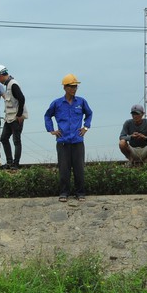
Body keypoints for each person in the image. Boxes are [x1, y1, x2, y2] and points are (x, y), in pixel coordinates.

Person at [44, 74, 93, 202]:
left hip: (77, 140)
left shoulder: (81, 102)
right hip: (63, 141)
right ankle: (64, 193)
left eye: (75, 86)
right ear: (65, 87)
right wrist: (51, 130)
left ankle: (80, 193)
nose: (74, 89)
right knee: (64, 169)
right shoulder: (57, 103)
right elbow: (47, 116)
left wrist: (86, 127)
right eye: (71, 86)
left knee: (79, 168)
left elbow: (89, 114)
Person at [0, 65, 27, 170]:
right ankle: (9, 162)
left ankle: (15, 164)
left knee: (16, 140)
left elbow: (22, 98)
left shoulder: (13, 84)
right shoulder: (8, 85)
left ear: (2, 75)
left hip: (16, 118)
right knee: (3, 138)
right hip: (9, 118)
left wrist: (19, 114)